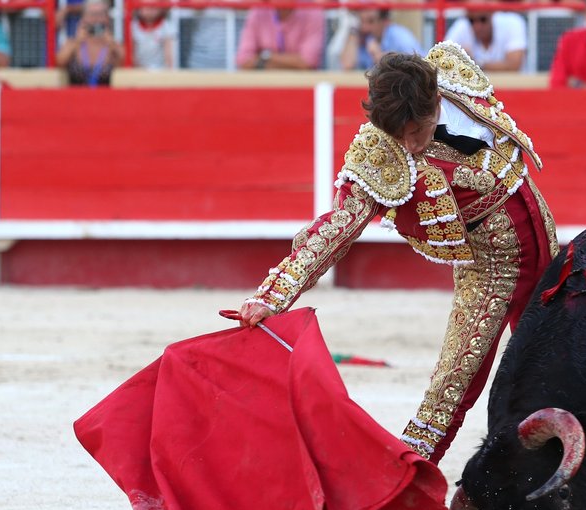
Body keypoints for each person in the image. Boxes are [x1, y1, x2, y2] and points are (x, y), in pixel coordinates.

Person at [239, 43, 559, 465]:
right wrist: (271, 295)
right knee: (452, 386)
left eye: (414, 133)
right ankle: (408, 482)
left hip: (545, 240)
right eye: (397, 136)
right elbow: (338, 227)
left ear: (434, 106)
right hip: (490, 270)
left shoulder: (453, 72)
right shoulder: (380, 151)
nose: (407, 147)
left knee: (560, 363)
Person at [236, 0, 326, 70]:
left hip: (302, 85)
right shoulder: (258, 11)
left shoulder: (312, 11)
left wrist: (265, 57)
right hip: (263, 85)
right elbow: (243, 60)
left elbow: (308, 62)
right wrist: (292, 64)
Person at [57, 0, 123, 87]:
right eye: (92, 14)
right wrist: (77, 41)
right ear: (83, 18)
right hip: (76, 98)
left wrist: (112, 44)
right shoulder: (73, 43)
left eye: (100, 14)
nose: (96, 19)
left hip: (106, 98)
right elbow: (58, 63)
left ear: (107, 18)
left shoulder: (112, 45)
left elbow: (128, 64)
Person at [444, 4, 527, 72]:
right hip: (473, 90)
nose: (477, 26)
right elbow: (443, 59)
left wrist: (472, 63)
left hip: (509, 87)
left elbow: (514, 65)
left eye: (483, 19)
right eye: (472, 21)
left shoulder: (512, 22)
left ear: (492, 14)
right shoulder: (462, 25)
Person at [339, 8, 422, 71]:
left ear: (385, 21)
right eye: (361, 21)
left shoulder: (400, 36)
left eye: (371, 21)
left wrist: (381, 57)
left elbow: (421, 64)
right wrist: (353, 30)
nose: (364, 27)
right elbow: (347, 65)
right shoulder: (360, 35)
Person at [131, 5, 176, 69]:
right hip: (139, 70)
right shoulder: (133, 27)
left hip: (160, 71)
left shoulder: (166, 27)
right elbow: (131, 55)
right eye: (146, 5)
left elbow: (169, 57)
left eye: (154, 5)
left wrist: (169, 72)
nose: (150, 9)